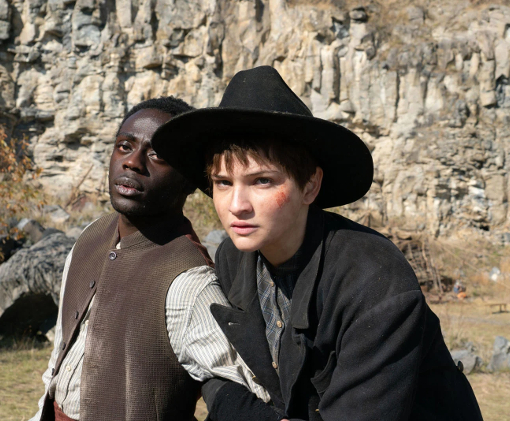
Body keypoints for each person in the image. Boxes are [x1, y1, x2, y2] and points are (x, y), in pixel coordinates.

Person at [152, 67, 484, 420]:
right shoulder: (233, 259)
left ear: (310, 186)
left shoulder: (374, 280)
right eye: (223, 182)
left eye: (262, 181)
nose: (237, 205)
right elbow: (229, 373)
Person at [30, 97, 272, 421]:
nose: (132, 162)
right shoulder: (90, 237)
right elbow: (59, 355)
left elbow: (246, 393)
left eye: (157, 155)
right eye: (124, 146)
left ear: (188, 180)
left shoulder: (188, 282)